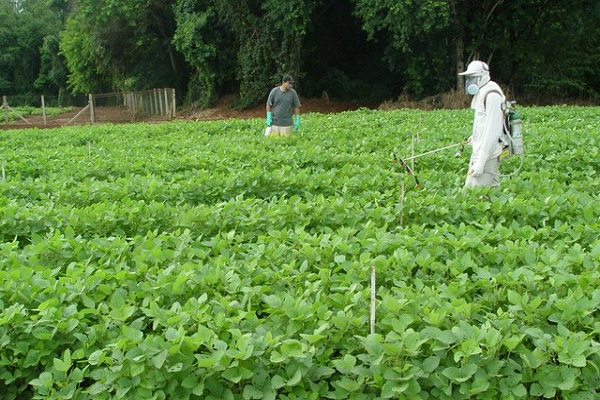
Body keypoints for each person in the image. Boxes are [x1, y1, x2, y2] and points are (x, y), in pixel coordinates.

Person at [459, 60, 505, 188]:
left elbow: (493, 131)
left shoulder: (492, 95)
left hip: (487, 154)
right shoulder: (482, 92)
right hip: (480, 150)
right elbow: (482, 123)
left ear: (482, 77)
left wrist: (481, 163)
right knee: (492, 193)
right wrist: (475, 137)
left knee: (470, 193)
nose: (470, 82)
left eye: (472, 78)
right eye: (469, 78)